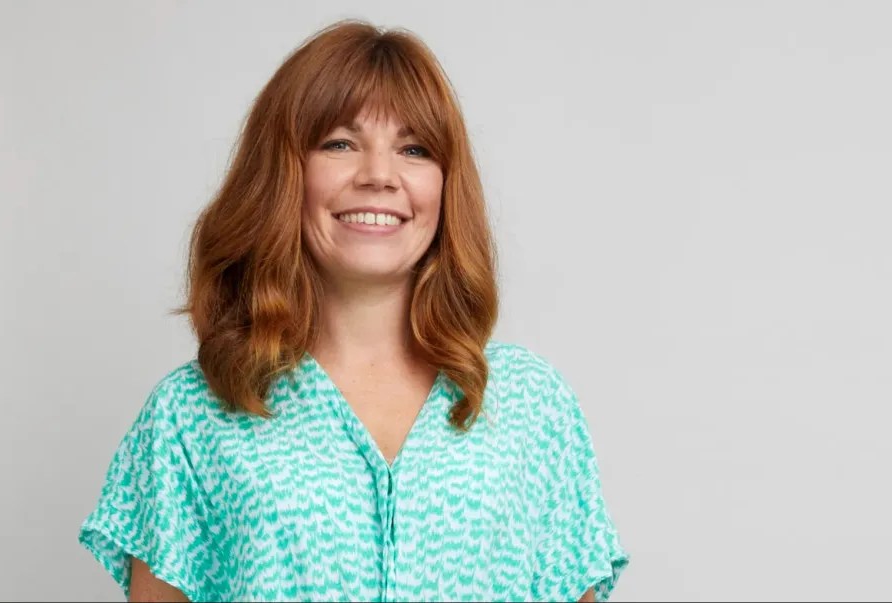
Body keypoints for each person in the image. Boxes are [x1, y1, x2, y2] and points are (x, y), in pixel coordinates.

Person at [77, 18, 629, 603]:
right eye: (339, 143)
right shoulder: (191, 415)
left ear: (445, 186)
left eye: (413, 149)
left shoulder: (531, 407)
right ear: (284, 174)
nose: (379, 176)